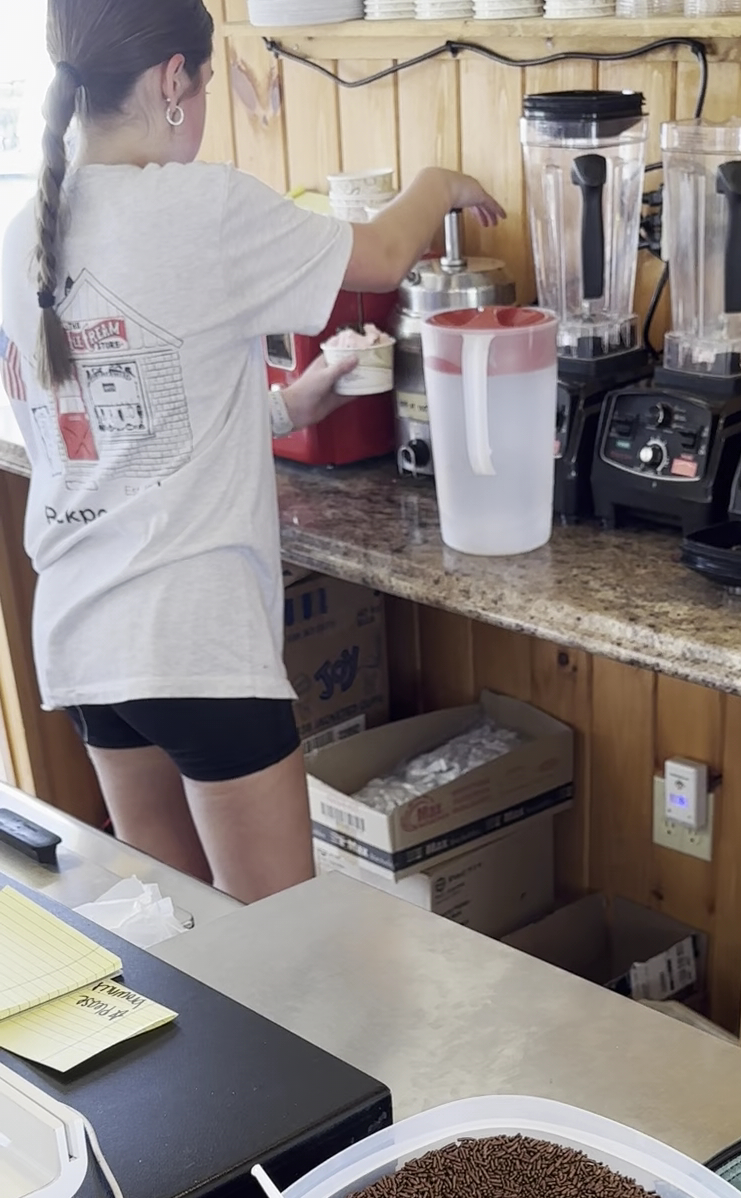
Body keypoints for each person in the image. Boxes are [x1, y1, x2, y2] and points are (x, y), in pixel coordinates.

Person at [0, 0, 503, 901]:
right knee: (281, 951)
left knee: (197, 945)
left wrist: (284, 408)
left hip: (82, 640)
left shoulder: (19, 239)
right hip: (192, 636)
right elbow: (386, 255)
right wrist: (439, 180)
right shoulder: (200, 206)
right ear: (172, 82)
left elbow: (117, 428)